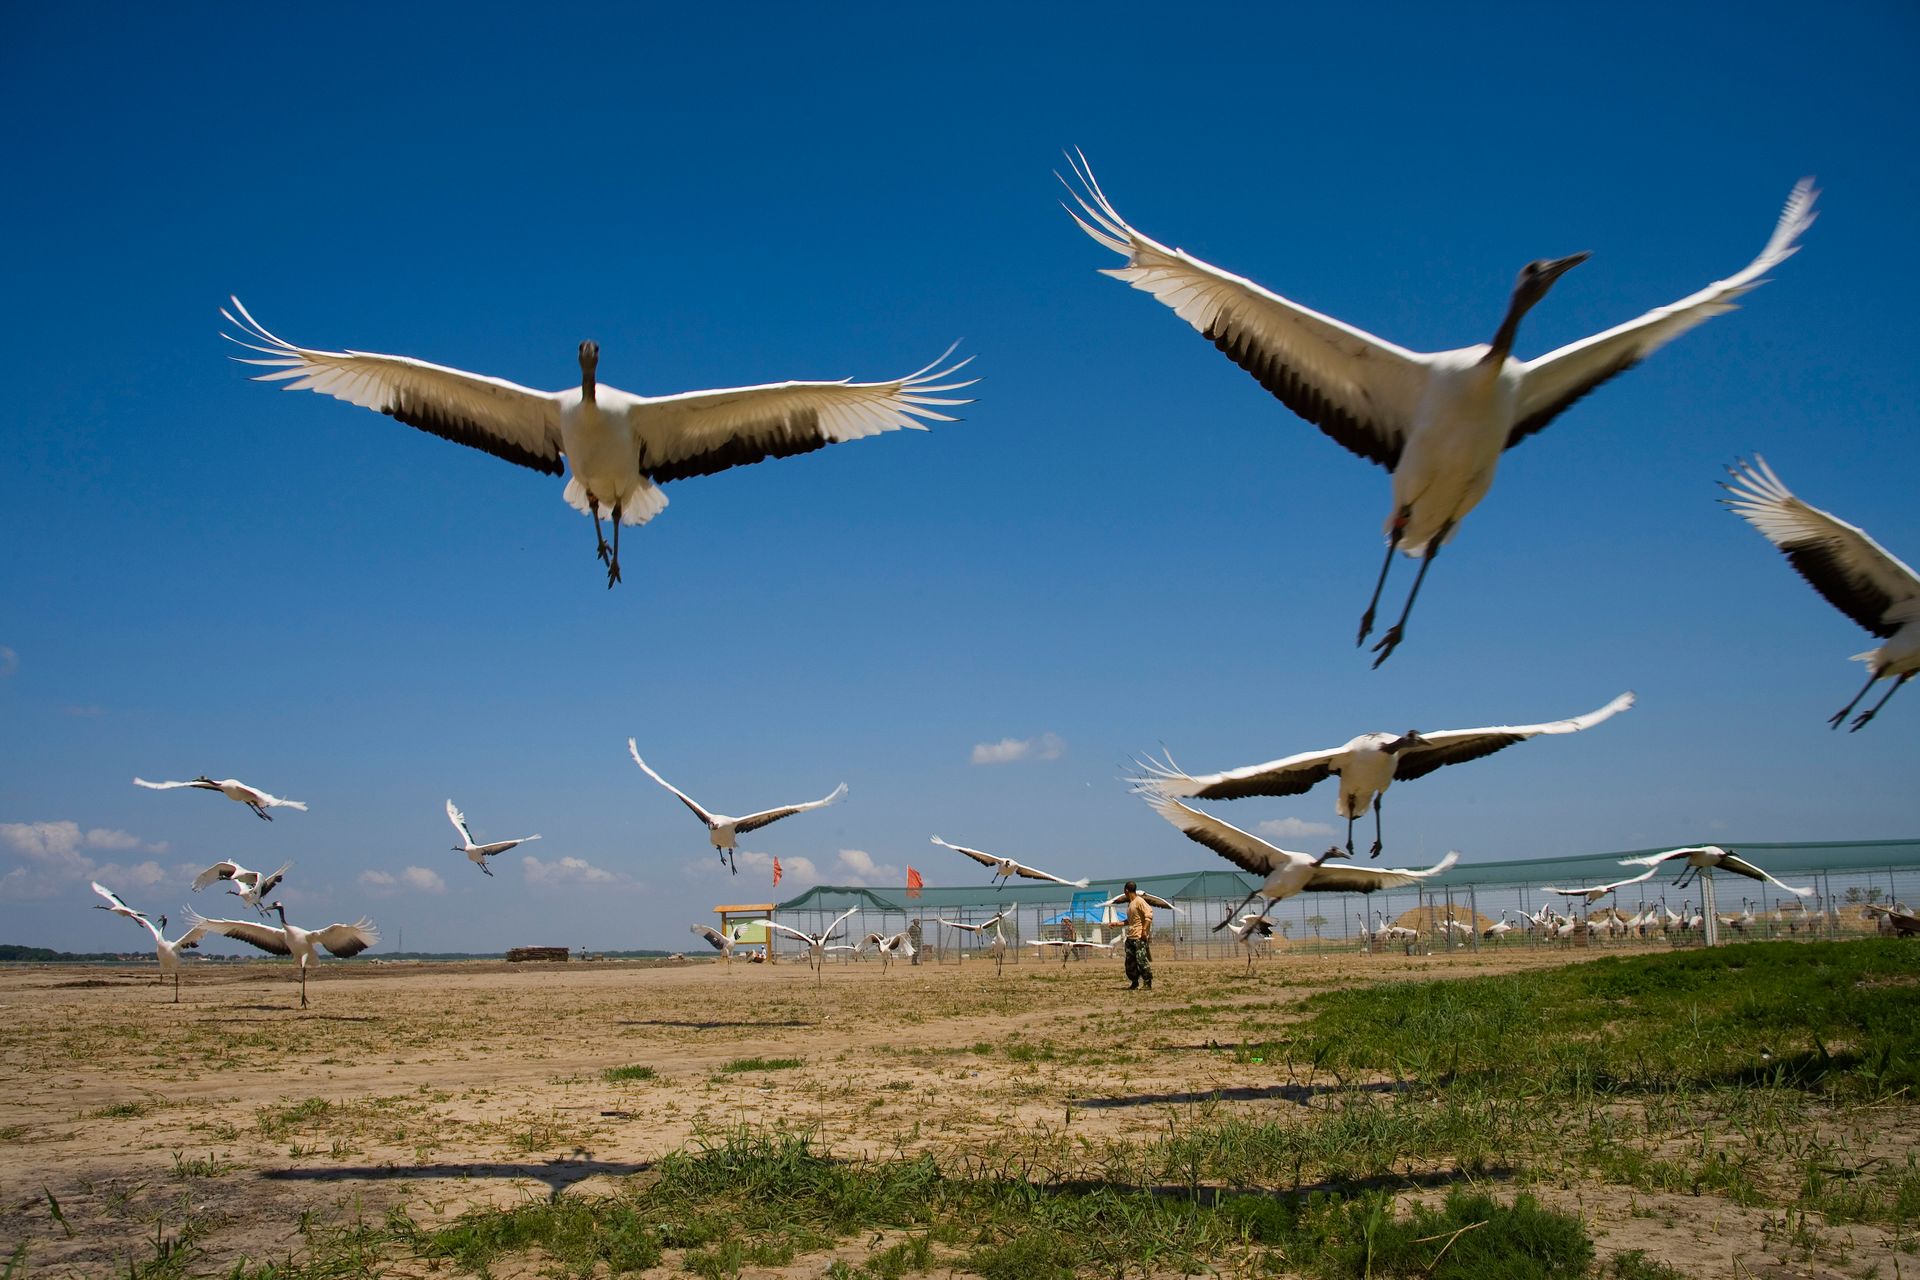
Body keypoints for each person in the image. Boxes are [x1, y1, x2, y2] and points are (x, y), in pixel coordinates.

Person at [1122, 881, 1153, 990]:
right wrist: (1117, 924)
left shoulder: (1140, 901)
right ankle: (1134, 982)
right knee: (1130, 963)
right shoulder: (1130, 904)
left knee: (1141, 961)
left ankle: (1147, 982)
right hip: (1130, 937)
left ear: (1126, 890)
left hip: (1139, 938)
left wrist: (1144, 931)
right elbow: (1130, 921)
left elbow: (1149, 915)